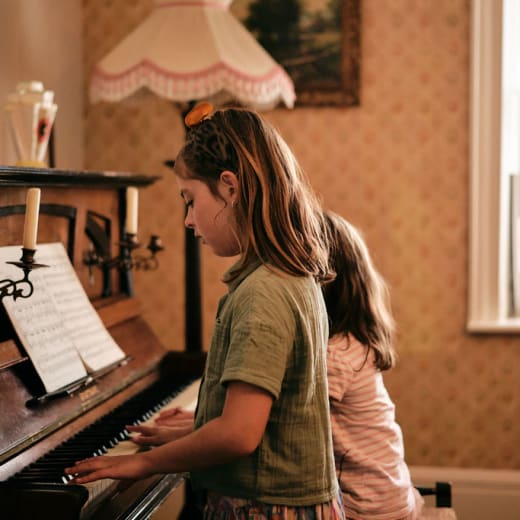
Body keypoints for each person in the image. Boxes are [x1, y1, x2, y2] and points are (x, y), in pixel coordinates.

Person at [66, 103, 344, 519]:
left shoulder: (263, 293)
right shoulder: (287, 276)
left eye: (190, 200)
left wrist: (140, 462)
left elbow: (238, 434)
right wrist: (201, 423)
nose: (188, 220)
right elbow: (262, 418)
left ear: (230, 188)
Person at [322, 211, 423, 520]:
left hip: (365, 508)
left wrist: (200, 426)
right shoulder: (354, 345)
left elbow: (275, 426)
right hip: (393, 492)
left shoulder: (334, 356)